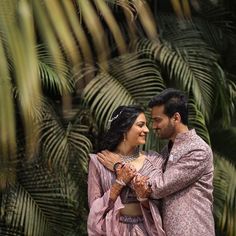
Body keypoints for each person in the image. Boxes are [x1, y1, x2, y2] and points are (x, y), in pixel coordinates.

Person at [98, 88, 215, 236]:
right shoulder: (167, 152)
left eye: (157, 120)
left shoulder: (197, 151)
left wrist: (119, 168)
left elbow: (158, 187)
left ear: (176, 118)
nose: (153, 127)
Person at [87, 105, 166, 236]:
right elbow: (94, 209)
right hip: (113, 230)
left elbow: (161, 203)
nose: (146, 130)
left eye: (146, 125)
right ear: (124, 130)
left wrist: (143, 198)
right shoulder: (99, 162)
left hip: (146, 230)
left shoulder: (155, 161)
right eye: (141, 125)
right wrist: (119, 183)